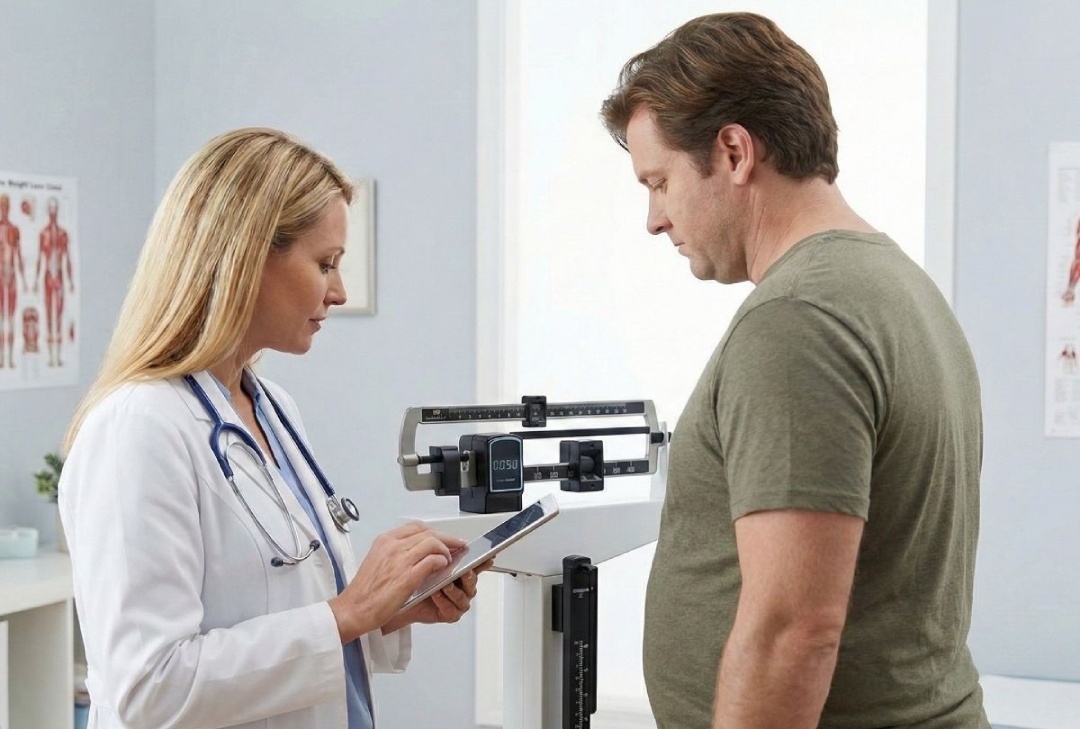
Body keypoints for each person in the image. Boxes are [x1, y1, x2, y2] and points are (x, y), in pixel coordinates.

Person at [600, 13, 987, 728]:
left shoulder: (799, 320)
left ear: (735, 151)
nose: (654, 218)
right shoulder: (897, 286)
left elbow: (794, 631)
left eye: (659, 181)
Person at [60, 127, 485, 729]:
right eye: (326, 263)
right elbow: (149, 688)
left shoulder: (271, 407)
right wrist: (349, 612)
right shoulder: (137, 429)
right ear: (247, 257)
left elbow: (290, 611)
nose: (338, 292)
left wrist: (392, 607)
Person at [35, 196, 75, 366]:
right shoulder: (43, 234)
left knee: (58, 316)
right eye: (50, 209)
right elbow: (40, 258)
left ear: (57, 211)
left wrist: (71, 281)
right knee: (49, 316)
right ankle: (50, 356)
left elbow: (67, 259)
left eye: (54, 209)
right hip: (47, 278)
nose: (52, 213)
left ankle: (57, 356)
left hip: (59, 277)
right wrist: (35, 281)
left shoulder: (62, 234)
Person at [0, 193, 27, 368]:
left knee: (11, 318)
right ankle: (3, 358)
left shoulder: (14, 230)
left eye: (6, 206)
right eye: (2, 206)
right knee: (2, 319)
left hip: (13, 279)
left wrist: (25, 281)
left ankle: (10, 357)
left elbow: (18, 256)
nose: (4, 209)